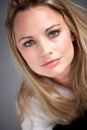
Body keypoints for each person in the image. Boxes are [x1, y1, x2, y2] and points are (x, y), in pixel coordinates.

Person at [5, 0, 87, 130]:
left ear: (72, 32)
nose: (45, 51)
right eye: (29, 43)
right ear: (19, 52)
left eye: (53, 33)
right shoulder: (30, 103)